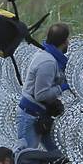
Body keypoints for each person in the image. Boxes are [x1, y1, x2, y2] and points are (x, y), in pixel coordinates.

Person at [17, 23, 70, 152]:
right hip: (31, 116)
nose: (69, 42)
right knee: (26, 157)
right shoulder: (48, 62)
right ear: (64, 42)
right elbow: (41, 94)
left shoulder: (50, 57)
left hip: (41, 115)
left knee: (57, 156)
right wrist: (63, 87)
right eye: (68, 39)